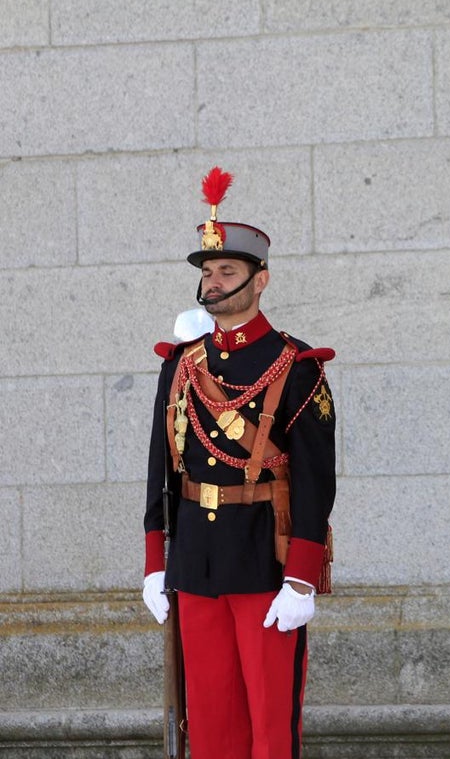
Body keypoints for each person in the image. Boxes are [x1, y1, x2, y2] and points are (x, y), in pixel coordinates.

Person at [141, 167, 337, 759]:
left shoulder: (297, 365)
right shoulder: (180, 363)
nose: (214, 282)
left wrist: (302, 575)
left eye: (228, 271)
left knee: (270, 727)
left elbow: (316, 482)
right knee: (210, 722)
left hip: (264, 562)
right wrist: (156, 562)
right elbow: (161, 468)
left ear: (261, 280)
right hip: (196, 565)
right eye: (207, 273)